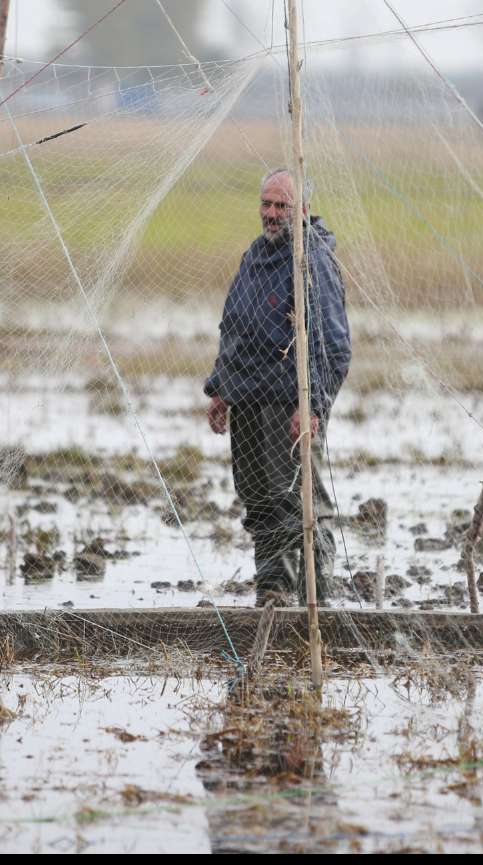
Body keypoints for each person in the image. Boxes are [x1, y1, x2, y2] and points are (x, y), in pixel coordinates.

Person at [204, 169, 351, 607]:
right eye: (266, 204)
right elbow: (235, 327)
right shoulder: (255, 255)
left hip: (288, 406)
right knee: (259, 502)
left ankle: (317, 600)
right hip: (247, 401)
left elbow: (334, 347)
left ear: (302, 210)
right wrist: (220, 389)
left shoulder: (314, 261)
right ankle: (273, 594)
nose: (271, 214)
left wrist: (312, 407)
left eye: (281, 206)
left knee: (299, 506)